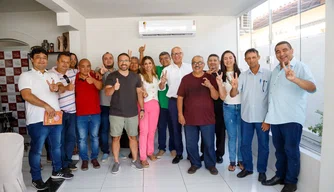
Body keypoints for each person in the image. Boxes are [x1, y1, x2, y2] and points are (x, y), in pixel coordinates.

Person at [262, 41, 316, 192]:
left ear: (292, 50)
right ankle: (280, 176)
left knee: (291, 150)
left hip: (292, 118)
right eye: (278, 51)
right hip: (276, 118)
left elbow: (312, 87)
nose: (281, 53)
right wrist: (268, 118)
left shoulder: (300, 67)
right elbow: (272, 96)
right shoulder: (275, 70)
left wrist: (295, 79)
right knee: (279, 150)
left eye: (285, 50)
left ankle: (291, 182)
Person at [18, 47, 73, 190]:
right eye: (38, 57)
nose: (42, 60)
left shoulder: (52, 75)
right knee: (36, 149)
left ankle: (57, 170)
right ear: (32, 59)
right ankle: (36, 178)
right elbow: (26, 95)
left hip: (55, 117)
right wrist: (46, 106)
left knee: (56, 146)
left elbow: (61, 88)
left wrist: (57, 87)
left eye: (44, 57)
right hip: (37, 119)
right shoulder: (26, 76)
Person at [229, 48, 271, 182]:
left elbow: (272, 98)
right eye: (248, 58)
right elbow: (233, 94)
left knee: (263, 145)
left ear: (258, 57)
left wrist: (268, 119)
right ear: (245, 60)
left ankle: (262, 171)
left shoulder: (268, 74)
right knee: (245, 144)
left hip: (262, 118)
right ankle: (248, 168)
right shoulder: (243, 75)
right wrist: (234, 86)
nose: (251, 60)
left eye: (253, 57)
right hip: (246, 117)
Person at [177, 55, 220, 175]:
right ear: (191, 65)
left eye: (200, 62)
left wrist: (210, 86)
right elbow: (180, 97)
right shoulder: (186, 79)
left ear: (203, 64)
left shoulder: (210, 77)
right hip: (189, 118)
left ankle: (211, 164)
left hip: (207, 118)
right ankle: (195, 163)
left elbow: (216, 96)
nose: (197, 64)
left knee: (209, 143)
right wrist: (180, 114)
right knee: (191, 144)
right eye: (194, 62)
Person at [105, 53, 144, 174]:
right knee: (116, 138)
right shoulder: (112, 76)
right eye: (121, 61)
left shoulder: (136, 76)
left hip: (132, 113)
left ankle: (135, 160)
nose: (124, 63)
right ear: (118, 62)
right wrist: (114, 88)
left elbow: (139, 93)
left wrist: (142, 109)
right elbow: (107, 93)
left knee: (133, 137)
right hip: (116, 113)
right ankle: (116, 162)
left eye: (126, 60)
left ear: (129, 62)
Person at [159, 46, 192, 164]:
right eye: (174, 54)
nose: (176, 56)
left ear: (182, 54)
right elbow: (161, 88)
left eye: (178, 53)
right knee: (175, 128)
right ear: (171, 56)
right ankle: (179, 153)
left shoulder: (189, 67)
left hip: (188, 101)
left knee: (190, 129)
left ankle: (191, 154)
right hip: (173, 101)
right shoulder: (166, 70)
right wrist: (162, 83)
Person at [51, 52, 78, 171]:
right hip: (58, 113)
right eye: (63, 61)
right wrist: (67, 88)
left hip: (72, 112)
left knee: (71, 138)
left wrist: (99, 71)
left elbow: (85, 70)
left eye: (68, 62)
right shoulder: (50, 74)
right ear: (57, 61)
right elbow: (59, 88)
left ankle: (67, 161)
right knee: (59, 140)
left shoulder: (73, 72)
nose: (65, 64)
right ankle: (60, 164)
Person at [75, 59, 102, 171]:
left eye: (88, 66)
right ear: (78, 67)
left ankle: (94, 158)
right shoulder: (74, 77)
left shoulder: (94, 75)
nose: (86, 69)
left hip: (95, 113)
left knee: (95, 137)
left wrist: (93, 81)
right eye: (83, 66)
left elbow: (100, 87)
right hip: (81, 114)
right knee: (82, 139)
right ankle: (84, 160)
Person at [221, 50, 243, 171]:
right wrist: (220, 84)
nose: (228, 60)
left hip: (241, 107)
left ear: (234, 59)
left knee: (241, 136)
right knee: (232, 136)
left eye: (230, 57)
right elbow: (223, 96)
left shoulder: (242, 74)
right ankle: (232, 161)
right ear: (223, 61)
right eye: (225, 58)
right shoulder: (221, 76)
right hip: (228, 107)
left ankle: (240, 160)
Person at [203, 54, 227, 164]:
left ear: (219, 62)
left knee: (220, 131)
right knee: (205, 132)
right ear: (207, 63)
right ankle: (205, 152)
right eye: (210, 60)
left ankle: (219, 154)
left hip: (220, 106)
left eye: (215, 60)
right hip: (206, 107)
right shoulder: (203, 74)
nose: (212, 62)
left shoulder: (224, 74)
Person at [138, 56, 160, 168]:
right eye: (145, 63)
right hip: (144, 106)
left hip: (155, 105)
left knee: (152, 131)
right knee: (143, 131)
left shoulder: (156, 76)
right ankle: (142, 157)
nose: (148, 65)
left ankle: (150, 152)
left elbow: (160, 88)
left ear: (152, 64)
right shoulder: (140, 77)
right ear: (142, 65)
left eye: (149, 63)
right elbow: (139, 90)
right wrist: (143, 92)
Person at [155, 51, 175, 158]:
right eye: (161, 59)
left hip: (173, 104)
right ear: (159, 61)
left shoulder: (175, 69)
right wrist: (141, 53)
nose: (164, 60)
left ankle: (173, 148)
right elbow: (144, 65)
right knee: (161, 128)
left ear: (170, 58)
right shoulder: (158, 69)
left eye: (166, 58)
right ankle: (161, 148)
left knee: (173, 128)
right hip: (161, 105)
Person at [97, 52, 116, 163]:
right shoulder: (99, 70)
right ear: (102, 60)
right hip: (104, 105)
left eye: (110, 58)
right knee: (104, 130)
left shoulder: (117, 72)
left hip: (116, 106)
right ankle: (105, 151)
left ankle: (115, 150)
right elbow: (97, 74)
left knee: (116, 130)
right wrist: (101, 72)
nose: (108, 60)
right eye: (106, 58)